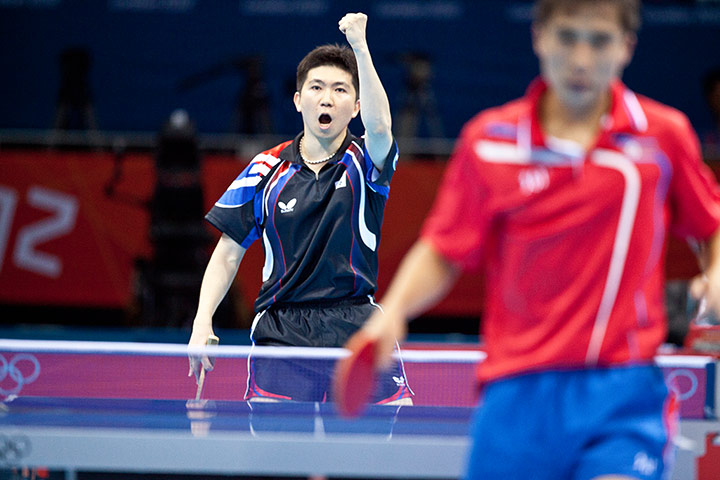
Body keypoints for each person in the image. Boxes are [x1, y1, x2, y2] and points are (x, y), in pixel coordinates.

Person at [358, 1, 720, 479]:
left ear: (627, 48)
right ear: (539, 37)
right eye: (567, 37)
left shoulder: (662, 138)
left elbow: (710, 226)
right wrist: (393, 313)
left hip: (621, 393)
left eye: (600, 41)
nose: (581, 59)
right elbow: (444, 248)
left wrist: (715, 275)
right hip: (516, 396)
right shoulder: (489, 141)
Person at [188, 13, 412, 404]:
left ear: (356, 106)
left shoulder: (367, 164)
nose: (327, 98)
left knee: (384, 451)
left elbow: (381, 129)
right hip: (283, 328)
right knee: (278, 454)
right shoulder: (264, 169)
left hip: (357, 322)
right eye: (317, 87)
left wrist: (360, 47)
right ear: (297, 100)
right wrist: (202, 318)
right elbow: (227, 252)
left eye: (341, 90)